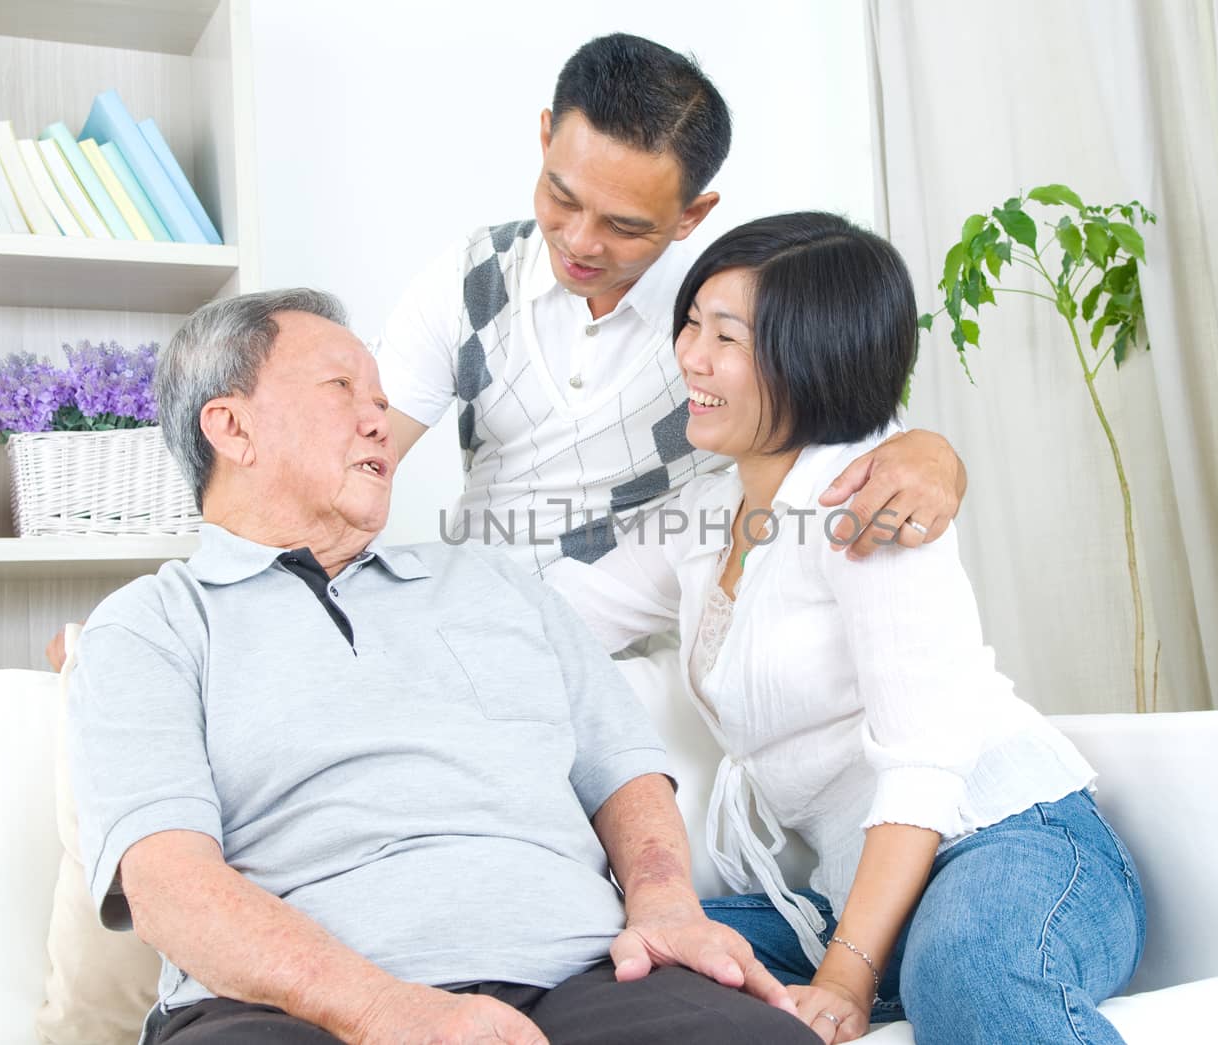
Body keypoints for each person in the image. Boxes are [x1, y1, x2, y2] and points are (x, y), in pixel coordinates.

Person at [66, 288, 818, 1045]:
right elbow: (170, 888)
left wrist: (665, 905)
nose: (379, 422)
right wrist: (387, 1010)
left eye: (381, 398)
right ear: (231, 427)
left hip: (581, 973)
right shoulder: (150, 625)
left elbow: (624, 770)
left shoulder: (498, 583)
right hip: (288, 1011)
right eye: (341, 389)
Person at [544, 214, 1147, 1045]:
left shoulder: (871, 499)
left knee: (966, 970)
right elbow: (547, 611)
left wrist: (846, 974)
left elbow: (925, 764)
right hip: (845, 897)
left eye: (727, 336)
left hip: (1007, 845)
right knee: (606, 960)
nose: (691, 355)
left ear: (813, 358)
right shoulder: (703, 515)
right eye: (692, 323)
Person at [371, 32, 966, 575]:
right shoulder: (471, 275)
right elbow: (361, 449)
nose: (579, 241)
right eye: (561, 196)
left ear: (692, 215)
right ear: (547, 136)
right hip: (478, 614)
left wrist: (936, 457)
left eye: (624, 226)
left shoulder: (723, 322)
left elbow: (874, 443)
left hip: (644, 645)